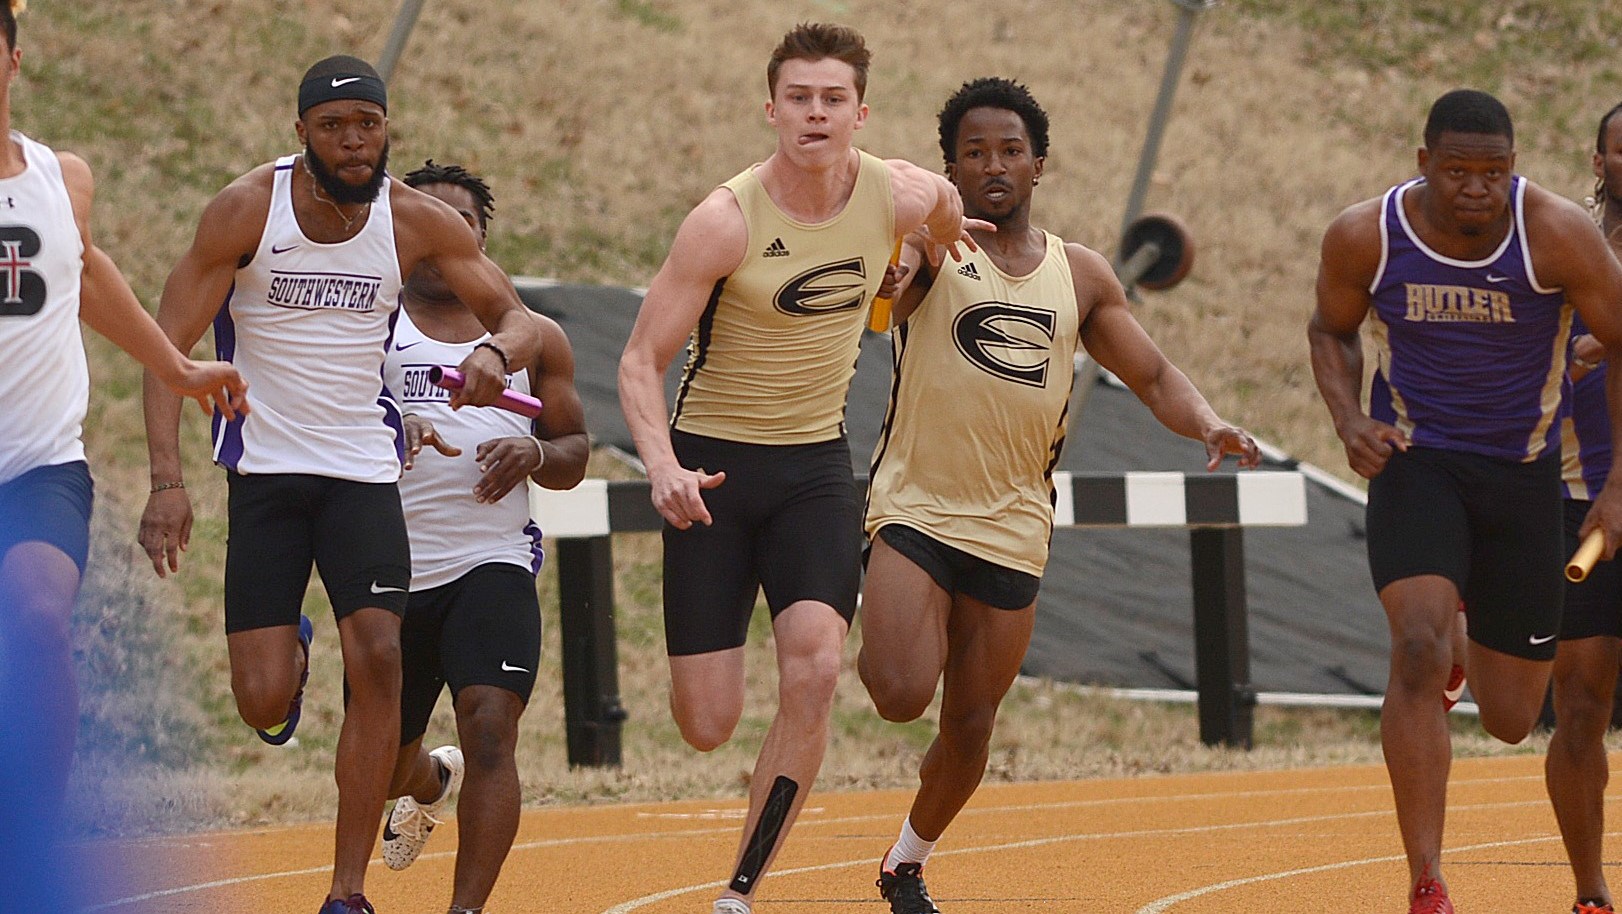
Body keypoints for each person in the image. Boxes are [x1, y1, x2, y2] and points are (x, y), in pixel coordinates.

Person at [137, 57, 541, 914]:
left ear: (387, 127)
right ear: (302, 134)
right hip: (268, 476)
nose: (352, 142)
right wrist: (166, 481)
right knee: (262, 699)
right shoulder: (249, 208)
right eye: (333, 127)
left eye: (367, 124)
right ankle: (294, 649)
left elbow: (519, 316)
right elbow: (166, 348)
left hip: (363, 471)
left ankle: (346, 892)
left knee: (384, 660)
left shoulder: (414, 220)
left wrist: (491, 354)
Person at [857, 77, 1260, 914]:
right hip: (917, 507)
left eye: (1009, 150)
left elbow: (1150, 373)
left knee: (969, 728)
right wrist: (901, 249)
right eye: (973, 153)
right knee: (899, 692)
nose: (993, 166)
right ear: (950, 169)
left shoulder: (1079, 274)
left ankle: (905, 861)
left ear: (1041, 163)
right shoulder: (935, 251)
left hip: (1013, 525)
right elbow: (882, 293)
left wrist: (1209, 423)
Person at [617, 23, 983, 914]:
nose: (814, 115)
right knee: (706, 724)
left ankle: (741, 892)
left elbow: (941, 220)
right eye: (798, 98)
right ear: (771, 108)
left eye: (832, 100)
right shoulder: (724, 221)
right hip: (714, 470)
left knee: (815, 667)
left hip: (817, 467)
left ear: (861, 112)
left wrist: (911, 269)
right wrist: (662, 467)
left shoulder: (900, 193)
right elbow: (638, 361)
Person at [1307, 88, 1622, 914]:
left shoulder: (1555, 233)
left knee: (1515, 717)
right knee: (1413, 647)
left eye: (1494, 172)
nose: (1476, 187)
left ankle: (1464, 637)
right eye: (1457, 171)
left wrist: (1619, 483)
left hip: (1524, 477)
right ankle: (1428, 879)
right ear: (1423, 165)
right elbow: (1329, 328)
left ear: (1514, 170)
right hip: (1418, 463)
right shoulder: (1365, 234)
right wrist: (1347, 419)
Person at [0, 1, 246, 903]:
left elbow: (85, 271)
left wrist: (176, 365)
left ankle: (34, 834)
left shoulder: (61, 180)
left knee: (36, 614)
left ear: (14, 60)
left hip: (37, 466)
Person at [377, 160, 588, 914]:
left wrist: (534, 452)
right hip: (389, 569)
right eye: (423, 215)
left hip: (490, 562)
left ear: (482, 238)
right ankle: (430, 781)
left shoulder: (537, 338)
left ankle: (465, 910)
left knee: (492, 729)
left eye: (459, 220)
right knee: (382, 761)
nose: (440, 233)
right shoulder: (372, 325)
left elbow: (574, 454)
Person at [1545, 102, 1622, 914]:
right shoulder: (1561, 245)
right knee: (1581, 700)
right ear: (1599, 161)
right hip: (1578, 502)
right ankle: (1591, 888)